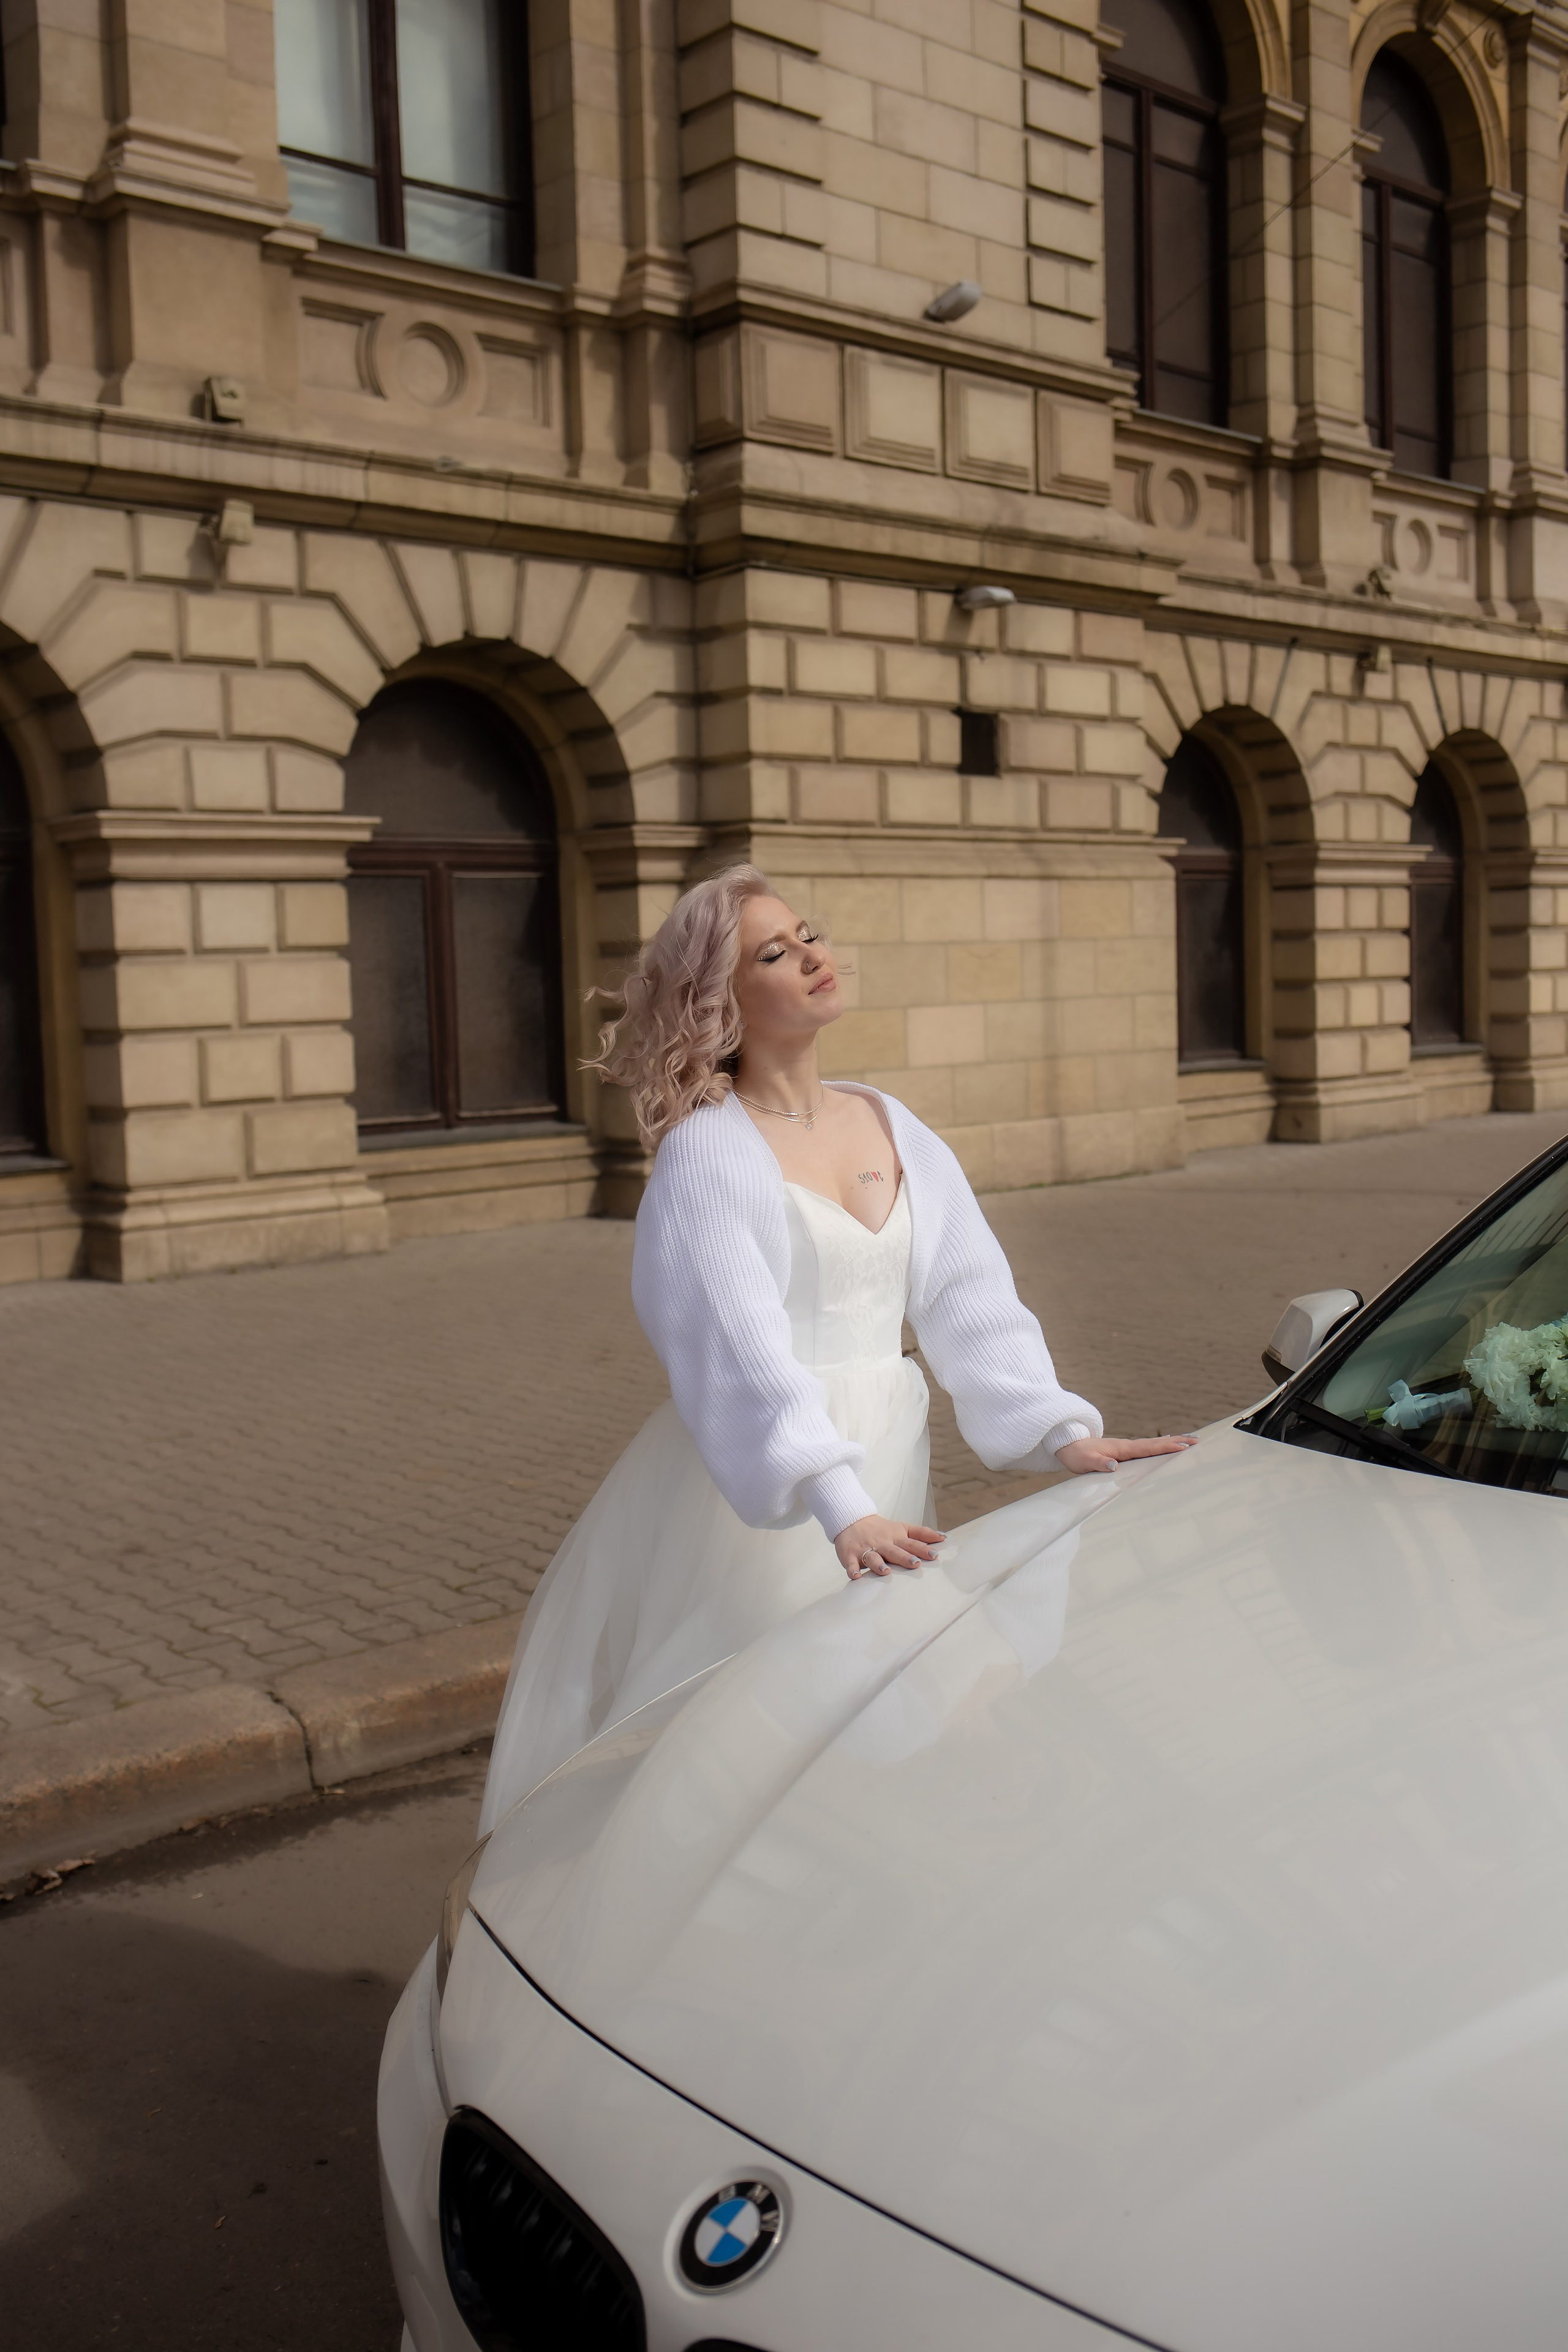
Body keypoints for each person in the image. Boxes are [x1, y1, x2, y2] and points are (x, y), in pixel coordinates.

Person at [478, 864, 1192, 1829]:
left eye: (807, 934)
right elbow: (733, 1345)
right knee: (758, 1732)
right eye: (775, 953)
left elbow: (969, 1296)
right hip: (769, 1489)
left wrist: (1059, 1432)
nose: (814, 956)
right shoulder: (707, 1150)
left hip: (884, 1455)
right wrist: (837, 1503)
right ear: (721, 1001)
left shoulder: (892, 1123)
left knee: (865, 1721)